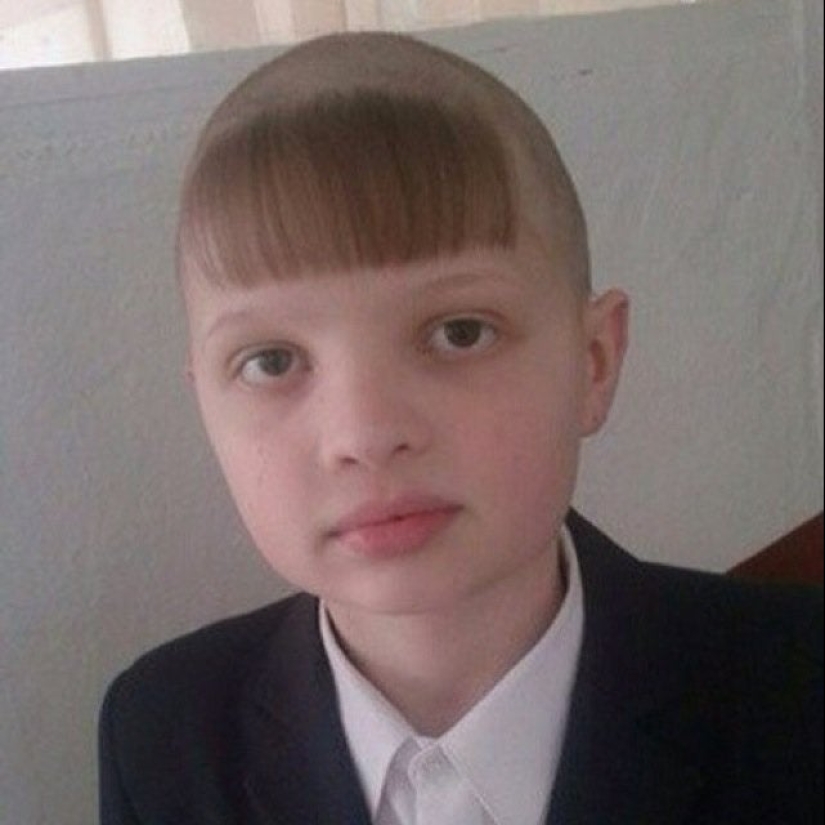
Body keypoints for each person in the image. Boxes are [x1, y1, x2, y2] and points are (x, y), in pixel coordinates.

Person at [99, 31, 823, 825]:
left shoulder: (796, 694)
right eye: (271, 360)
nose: (364, 433)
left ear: (592, 363)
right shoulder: (160, 733)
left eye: (459, 332)